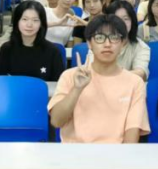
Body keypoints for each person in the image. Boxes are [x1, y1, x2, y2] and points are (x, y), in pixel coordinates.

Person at [48, 15, 150, 143]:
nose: (107, 44)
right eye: (100, 38)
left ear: (122, 43)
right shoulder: (70, 76)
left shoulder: (135, 83)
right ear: (89, 43)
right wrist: (77, 89)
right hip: (76, 152)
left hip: (116, 153)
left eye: (114, 37)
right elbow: (56, 121)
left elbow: (132, 136)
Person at [0, 0, 67, 82]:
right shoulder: (6, 49)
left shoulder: (53, 51)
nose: (29, 24)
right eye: (24, 19)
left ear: (41, 24)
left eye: (35, 20)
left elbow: (59, 85)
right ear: (17, 21)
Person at [86, 0, 149, 80]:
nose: (121, 23)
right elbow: (90, 70)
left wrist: (112, 77)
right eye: (116, 19)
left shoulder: (141, 47)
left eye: (125, 19)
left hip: (128, 86)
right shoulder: (98, 43)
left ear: (132, 22)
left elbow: (140, 73)